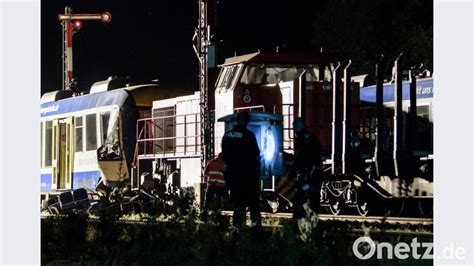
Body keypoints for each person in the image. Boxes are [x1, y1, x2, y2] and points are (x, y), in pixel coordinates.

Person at [221, 111, 262, 232]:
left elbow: (224, 156)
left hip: (233, 177)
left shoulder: (227, 135)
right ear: (246, 121)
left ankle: (238, 228)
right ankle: (256, 228)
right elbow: (256, 154)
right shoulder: (249, 135)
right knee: (253, 203)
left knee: (238, 205)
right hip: (248, 176)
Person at [291, 117, 322, 218]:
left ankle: (300, 222)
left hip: (307, 175)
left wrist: (292, 172)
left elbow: (299, 158)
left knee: (300, 196)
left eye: (294, 125)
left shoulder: (300, 138)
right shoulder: (312, 137)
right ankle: (314, 218)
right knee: (314, 195)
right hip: (316, 172)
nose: (292, 127)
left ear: (299, 126)